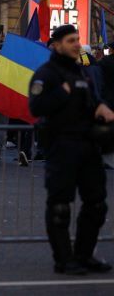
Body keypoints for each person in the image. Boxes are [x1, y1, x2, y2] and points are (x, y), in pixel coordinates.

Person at [29, 24, 114, 275]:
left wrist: (101, 109)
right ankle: (64, 260)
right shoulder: (47, 74)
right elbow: (37, 107)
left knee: (97, 203)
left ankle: (84, 255)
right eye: (70, 40)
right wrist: (62, 93)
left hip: (88, 146)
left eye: (77, 39)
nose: (77, 44)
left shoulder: (83, 73)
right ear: (56, 45)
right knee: (60, 206)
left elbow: (93, 101)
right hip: (61, 146)